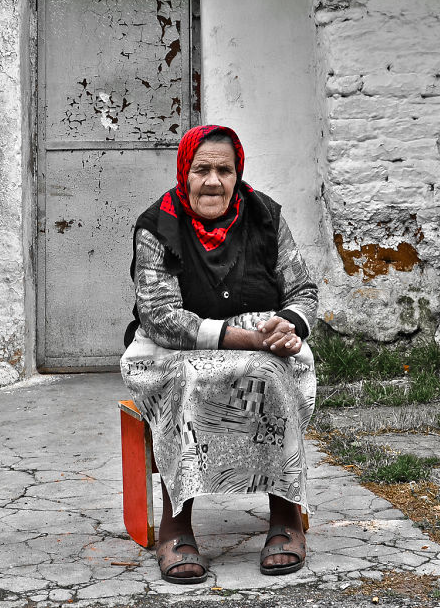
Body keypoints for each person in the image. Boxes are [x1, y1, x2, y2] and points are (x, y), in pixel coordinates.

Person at [120, 124, 318, 584]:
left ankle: (285, 515)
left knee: (271, 373)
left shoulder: (265, 215)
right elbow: (161, 316)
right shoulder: (158, 226)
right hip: (177, 346)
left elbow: (303, 289)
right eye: (201, 169)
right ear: (184, 172)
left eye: (224, 170)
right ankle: (176, 523)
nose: (213, 181)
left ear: (237, 172)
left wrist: (290, 326)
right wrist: (241, 339)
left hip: (261, 339)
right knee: (191, 380)